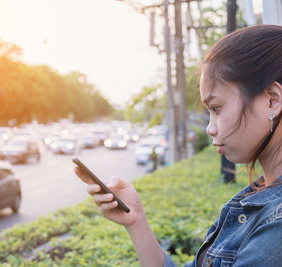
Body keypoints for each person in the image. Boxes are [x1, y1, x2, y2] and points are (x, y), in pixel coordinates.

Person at [74, 24, 282, 267]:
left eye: (216, 109)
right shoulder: (255, 199)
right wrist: (135, 220)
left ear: (272, 101)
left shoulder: (276, 223)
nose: (210, 128)